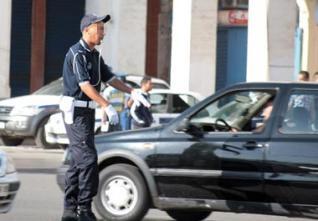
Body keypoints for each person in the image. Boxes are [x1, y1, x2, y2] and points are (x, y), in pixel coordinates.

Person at [60, 13, 150, 221]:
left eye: (103, 28)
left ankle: (69, 209)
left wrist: (132, 91)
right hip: (76, 112)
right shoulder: (77, 54)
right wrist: (107, 106)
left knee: (77, 161)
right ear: (87, 30)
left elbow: (110, 78)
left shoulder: (95, 55)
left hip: (88, 111)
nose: (103, 32)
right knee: (89, 160)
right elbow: (84, 85)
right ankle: (84, 209)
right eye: (99, 28)